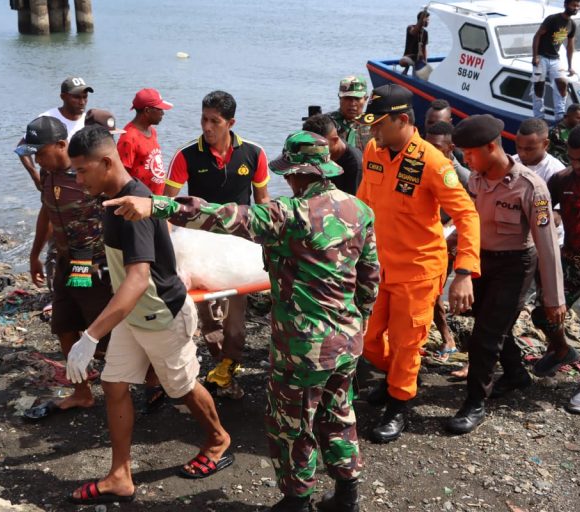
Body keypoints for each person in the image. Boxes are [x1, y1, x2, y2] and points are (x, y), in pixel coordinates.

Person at [106, 130, 380, 512]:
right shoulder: (360, 210)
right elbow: (369, 279)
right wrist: (359, 322)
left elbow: (221, 216)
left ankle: (296, 501)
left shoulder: (290, 215)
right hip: (348, 339)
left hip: (303, 347)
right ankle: (347, 495)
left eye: (290, 174)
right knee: (339, 415)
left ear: (300, 174)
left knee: (292, 424)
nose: (287, 180)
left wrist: (157, 207)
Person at [64, 125, 232, 506]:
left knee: (182, 386)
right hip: (131, 315)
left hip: (160, 313)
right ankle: (120, 475)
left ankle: (219, 439)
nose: (77, 178)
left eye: (81, 170)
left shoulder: (135, 203)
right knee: (114, 383)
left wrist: (90, 337)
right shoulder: (110, 196)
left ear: (107, 162)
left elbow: (139, 279)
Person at [356, 84, 481, 443]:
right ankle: (397, 376)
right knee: (367, 339)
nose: (373, 131)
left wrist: (464, 273)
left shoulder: (434, 163)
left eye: (379, 124)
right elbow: (364, 201)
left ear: (403, 120)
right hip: (378, 264)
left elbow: (467, 215)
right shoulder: (373, 151)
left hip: (419, 269)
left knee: (407, 342)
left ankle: (398, 404)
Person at [445, 115, 565, 435]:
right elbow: (468, 220)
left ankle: (474, 402)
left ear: (491, 146)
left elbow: (548, 246)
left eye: (470, 154)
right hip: (482, 261)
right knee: (491, 324)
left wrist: (554, 299)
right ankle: (515, 375)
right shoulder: (477, 178)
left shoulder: (530, 186)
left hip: (515, 265)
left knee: (485, 336)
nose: (465, 160)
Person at [164, 90, 270, 399]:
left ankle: (229, 368)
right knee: (209, 321)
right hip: (198, 249)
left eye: (215, 121)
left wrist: (268, 250)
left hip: (238, 252)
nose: (207, 127)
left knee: (236, 324)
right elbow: (166, 207)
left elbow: (264, 205)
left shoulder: (253, 153)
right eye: (203, 119)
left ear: (230, 122)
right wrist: (170, 254)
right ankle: (220, 367)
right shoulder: (186, 156)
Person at [17, 115, 122, 420]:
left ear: (61, 145)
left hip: (89, 263)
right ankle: (82, 392)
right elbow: (46, 212)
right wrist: (35, 253)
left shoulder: (88, 173)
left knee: (102, 332)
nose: (36, 159)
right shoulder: (48, 175)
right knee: (64, 325)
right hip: (65, 261)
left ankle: (146, 382)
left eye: (40, 152)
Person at [531, 124, 580, 414]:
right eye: (573, 158)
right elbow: (545, 207)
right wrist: (553, 215)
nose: (577, 165)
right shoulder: (562, 180)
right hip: (571, 261)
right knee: (542, 313)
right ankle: (561, 350)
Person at [425, 121, 472, 363]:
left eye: (436, 147)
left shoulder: (461, 176)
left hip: (449, 241)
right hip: (427, 239)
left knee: (438, 294)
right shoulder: (421, 166)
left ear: (450, 147)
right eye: (427, 145)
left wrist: (448, 227)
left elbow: (470, 212)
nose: (430, 151)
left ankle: (448, 337)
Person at [15, 76, 93, 191]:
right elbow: (22, 149)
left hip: (80, 183)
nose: (82, 102)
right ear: (63, 97)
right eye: (76, 97)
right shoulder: (47, 119)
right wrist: (35, 177)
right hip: (52, 181)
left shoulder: (90, 121)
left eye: (85, 97)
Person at [514, 117, 567, 244]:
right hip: (517, 241)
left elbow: (556, 217)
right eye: (519, 147)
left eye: (528, 149)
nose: (522, 153)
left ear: (545, 144)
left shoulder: (557, 172)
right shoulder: (512, 162)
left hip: (549, 242)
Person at [116, 88, 172, 195]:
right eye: (159, 109)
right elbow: (121, 176)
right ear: (147, 111)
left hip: (156, 200)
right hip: (140, 201)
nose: (163, 113)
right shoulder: (128, 138)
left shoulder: (152, 131)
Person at [531, 0, 580, 120]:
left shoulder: (572, 24)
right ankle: (539, 117)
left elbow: (570, 46)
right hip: (541, 57)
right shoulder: (552, 19)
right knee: (539, 86)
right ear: (565, 5)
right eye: (574, 5)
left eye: (578, 6)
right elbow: (537, 36)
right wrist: (535, 56)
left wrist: (570, 66)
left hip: (555, 59)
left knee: (562, 83)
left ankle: (559, 116)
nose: (576, 8)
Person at [302, 113, 363, 194]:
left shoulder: (355, 165)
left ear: (334, 141)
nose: (315, 151)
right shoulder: (315, 155)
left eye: (319, 147)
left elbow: (352, 203)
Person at [325, 76, 372, 152]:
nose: (352, 103)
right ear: (340, 98)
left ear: (365, 99)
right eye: (347, 98)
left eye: (357, 98)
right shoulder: (327, 123)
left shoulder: (373, 125)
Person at [399, 10, 430, 75]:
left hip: (418, 59)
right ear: (421, 20)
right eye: (426, 20)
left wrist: (425, 63)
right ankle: (406, 69)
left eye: (428, 20)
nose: (428, 22)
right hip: (409, 57)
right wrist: (421, 19)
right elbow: (413, 33)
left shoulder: (425, 33)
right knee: (402, 62)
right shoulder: (410, 28)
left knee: (419, 75)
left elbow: (424, 49)